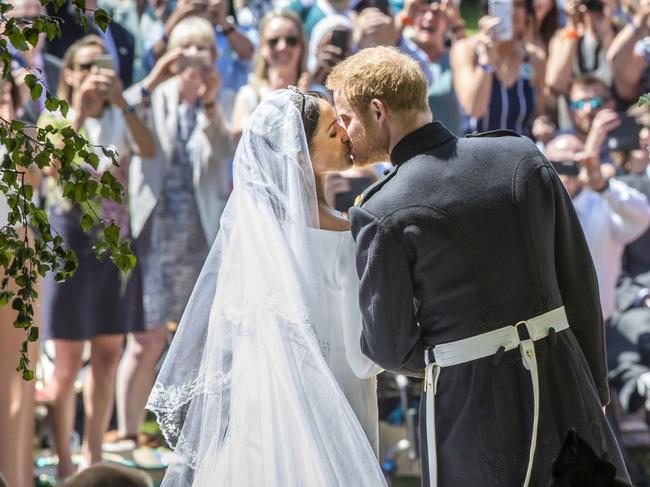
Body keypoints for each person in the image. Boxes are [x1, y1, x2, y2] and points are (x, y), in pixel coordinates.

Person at [326, 46, 630, 486]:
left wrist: (459, 356)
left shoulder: (379, 209)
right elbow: (579, 278)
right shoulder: (520, 156)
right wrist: (593, 386)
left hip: (471, 409)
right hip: (566, 384)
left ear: (377, 111)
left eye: (346, 118)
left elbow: (389, 346)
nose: (344, 133)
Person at [146, 88, 385, 485]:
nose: (345, 133)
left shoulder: (250, 234)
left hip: (261, 411)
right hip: (339, 405)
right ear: (297, 154)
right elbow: (362, 358)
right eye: (332, 130)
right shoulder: (346, 233)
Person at [114, 16, 235, 451]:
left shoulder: (218, 100)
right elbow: (117, 112)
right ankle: (127, 431)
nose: (191, 64)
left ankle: (190, 433)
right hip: (154, 234)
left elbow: (226, 150)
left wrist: (210, 102)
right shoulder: (154, 95)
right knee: (145, 338)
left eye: (201, 53)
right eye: (184, 51)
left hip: (200, 237)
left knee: (198, 339)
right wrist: (154, 76)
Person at [38, 34, 155, 481]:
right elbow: (51, 164)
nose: (93, 74)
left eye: (101, 65)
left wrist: (120, 101)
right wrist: (82, 110)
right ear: (67, 72)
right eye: (84, 66)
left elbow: (149, 150)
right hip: (68, 249)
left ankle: (93, 455)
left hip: (115, 250)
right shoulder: (57, 116)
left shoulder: (120, 117)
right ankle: (65, 461)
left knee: (108, 354)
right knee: (66, 364)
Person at [451, 0, 545, 137]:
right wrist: (487, 59)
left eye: (518, 5)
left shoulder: (534, 57)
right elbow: (474, 109)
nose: (511, 12)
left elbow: (539, 113)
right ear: (489, 10)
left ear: (527, 14)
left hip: (521, 152)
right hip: (478, 152)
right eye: (503, 5)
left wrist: (541, 124)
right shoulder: (466, 50)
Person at [231, 10, 308, 134]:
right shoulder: (248, 95)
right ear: (262, 47)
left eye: (291, 40)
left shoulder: (317, 94)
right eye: (273, 41)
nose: (282, 46)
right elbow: (241, 138)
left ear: (302, 46)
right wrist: (274, 101)